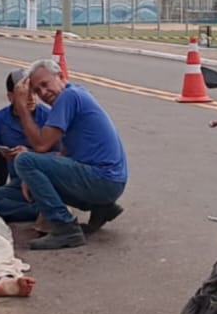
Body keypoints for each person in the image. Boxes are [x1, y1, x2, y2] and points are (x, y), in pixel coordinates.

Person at [7, 59, 128, 250]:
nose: (43, 93)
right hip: (109, 181)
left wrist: (21, 107)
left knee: (24, 160)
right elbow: (63, 153)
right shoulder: (75, 94)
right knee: (35, 164)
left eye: (45, 85)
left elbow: (40, 145)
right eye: (37, 91)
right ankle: (102, 208)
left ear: (61, 76)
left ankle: (65, 227)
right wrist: (32, 176)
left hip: (103, 179)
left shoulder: (68, 97)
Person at [0, 68, 51, 188]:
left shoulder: (49, 117)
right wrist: (0, 187)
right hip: (17, 182)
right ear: (10, 97)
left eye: (34, 92)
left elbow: (62, 157)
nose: (32, 98)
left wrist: (29, 154)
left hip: (46, 181)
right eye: (24, 95)